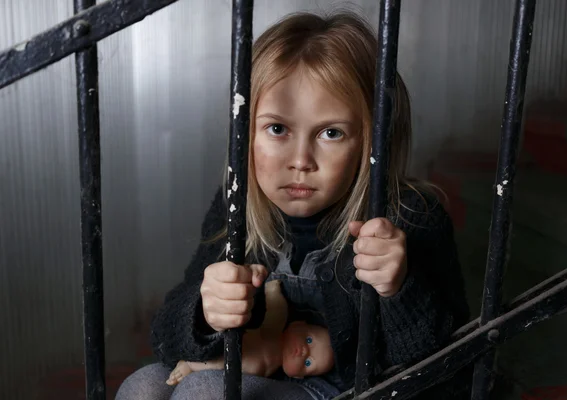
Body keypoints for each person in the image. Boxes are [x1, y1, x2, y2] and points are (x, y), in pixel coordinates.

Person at [116, 10, 471, 400]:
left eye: (331, 133)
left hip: (348, 391)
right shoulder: (239, 205)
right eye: (277, 129)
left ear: (372, 142)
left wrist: (399, 289)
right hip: (262, 373)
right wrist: (205, 311)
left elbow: (448, 372)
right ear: (245, 132)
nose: (301, 159)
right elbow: (165, 337)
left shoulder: (410, 216)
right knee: (143, 387)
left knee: (205, 392)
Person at [165, 280, 335, 385]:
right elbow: (274, 306)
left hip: (237, 373)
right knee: (216, 358)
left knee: (216, 374)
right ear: (297, 324)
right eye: (309, 340)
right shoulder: (278, 325)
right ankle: (190, 364)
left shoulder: (272, 376)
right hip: (241, 344)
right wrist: (273, 289)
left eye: (307, 363)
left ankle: (194, 368)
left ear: (297, 376)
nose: (304, 351)